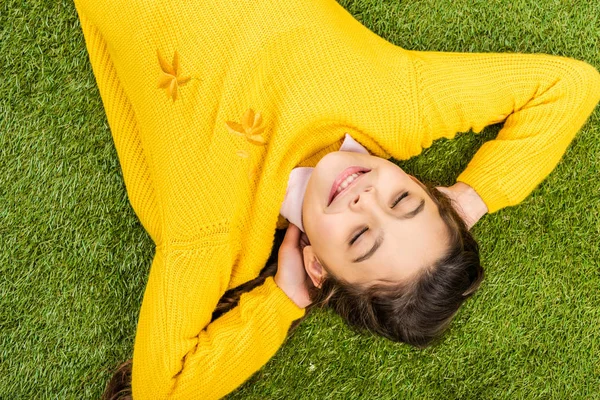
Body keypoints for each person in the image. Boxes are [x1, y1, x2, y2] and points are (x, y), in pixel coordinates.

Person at [72, 0, 600, 398]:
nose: (367, 196)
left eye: (362, 237)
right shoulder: (401, 106)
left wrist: (284, 298)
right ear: (421, 186)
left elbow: (160, 389)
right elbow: (570, 86)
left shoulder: (217, 234)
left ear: (319, 267)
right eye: (404, 202)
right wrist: (468, 200)